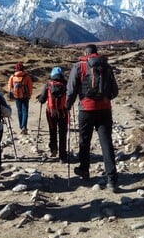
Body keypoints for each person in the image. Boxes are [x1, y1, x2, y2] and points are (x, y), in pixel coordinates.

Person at [66, 44, 120, 192]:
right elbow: (115, 91)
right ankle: (112, 180)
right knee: (106, 143)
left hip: (86, 109)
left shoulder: (79, 66)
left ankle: (84, 170)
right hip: (105, 109)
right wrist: (105, 98)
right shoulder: (106, 66)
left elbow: (71, 90)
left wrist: (68, 105)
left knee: (84, 140)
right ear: (97, 53)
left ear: (85, 53)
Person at [36, 66, 69, 163]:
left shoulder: (48, 85)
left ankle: (53, 149)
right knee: (63, 133)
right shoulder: (66, 84)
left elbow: (42, 99)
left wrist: (41, 98)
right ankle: (63, 156)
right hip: (63, 112)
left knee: (52, 131)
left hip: (51, 113)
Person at [7, 62, 33, 134]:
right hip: (25, 96)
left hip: (16, 96)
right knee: (25, 111)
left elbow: (9, 85)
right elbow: (30, 87)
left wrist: (11, 93)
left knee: (19, 111)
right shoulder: (26, 76)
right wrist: (29, 95)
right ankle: (24, 126)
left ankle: (21, 126)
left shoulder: (13, 76)